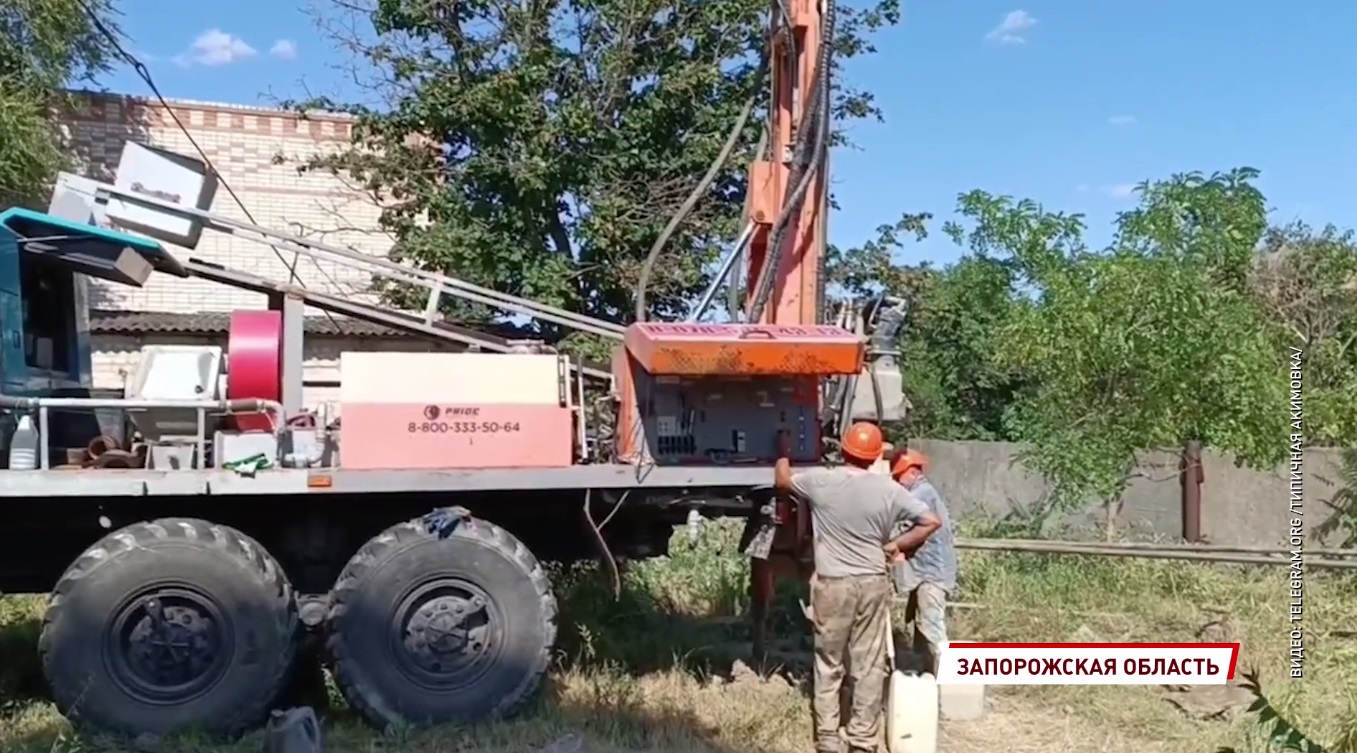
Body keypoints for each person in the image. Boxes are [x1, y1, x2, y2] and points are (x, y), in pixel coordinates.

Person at [774, 422, 942, 753]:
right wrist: (896, 545)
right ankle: (864, 740)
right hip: (872, 583)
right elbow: (930, 522)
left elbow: (781, 480)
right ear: (876, 455)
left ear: (844, 450)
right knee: (868, 664)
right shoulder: (890, 490)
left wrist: (783, 450)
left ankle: (828, 737)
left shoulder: (822, 481)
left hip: (833, 585)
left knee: (829, 661)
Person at [888, 448, 957, 677]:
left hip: (932, 574)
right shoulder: (923, 492)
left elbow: (898, 517)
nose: (897, 482)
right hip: (927, 571)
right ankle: (929, 675)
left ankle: (947, 677)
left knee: (932, 625)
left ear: (912, 472)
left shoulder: (921, 494)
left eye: (898, 477)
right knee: (923, 625)